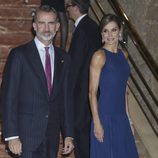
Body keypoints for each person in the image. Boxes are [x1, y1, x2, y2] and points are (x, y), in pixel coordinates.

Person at [0, 5, 74, 158]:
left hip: (52, 136)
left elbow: (65, 99)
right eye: (41, 23)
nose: (46, 28)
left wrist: (68, 134)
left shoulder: (64, 58)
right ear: (34, 26)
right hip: (25, 137)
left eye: (51, 23)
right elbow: (8, 97)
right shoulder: (19, 55)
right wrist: (11, 135)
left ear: (58, 26)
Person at [89, 13, 139, 158]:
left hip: (121, 117)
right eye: (106, 30)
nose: (110, 35)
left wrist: (129, 119)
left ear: (120, 31)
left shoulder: (124, 55)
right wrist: (97, 122)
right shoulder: (99, 56)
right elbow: (92, 93)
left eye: (114, 30)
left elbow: (123, 91)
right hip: (104, 116)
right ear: (102, 34)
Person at [66, 0, 102, 157]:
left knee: (81, 138)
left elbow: (75, 66)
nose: (67, 10)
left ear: (75, 7)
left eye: (68, 6)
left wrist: (67, 92)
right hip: (91, 90)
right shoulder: (93, 25)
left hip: (81, 94)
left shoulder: (82, 30)